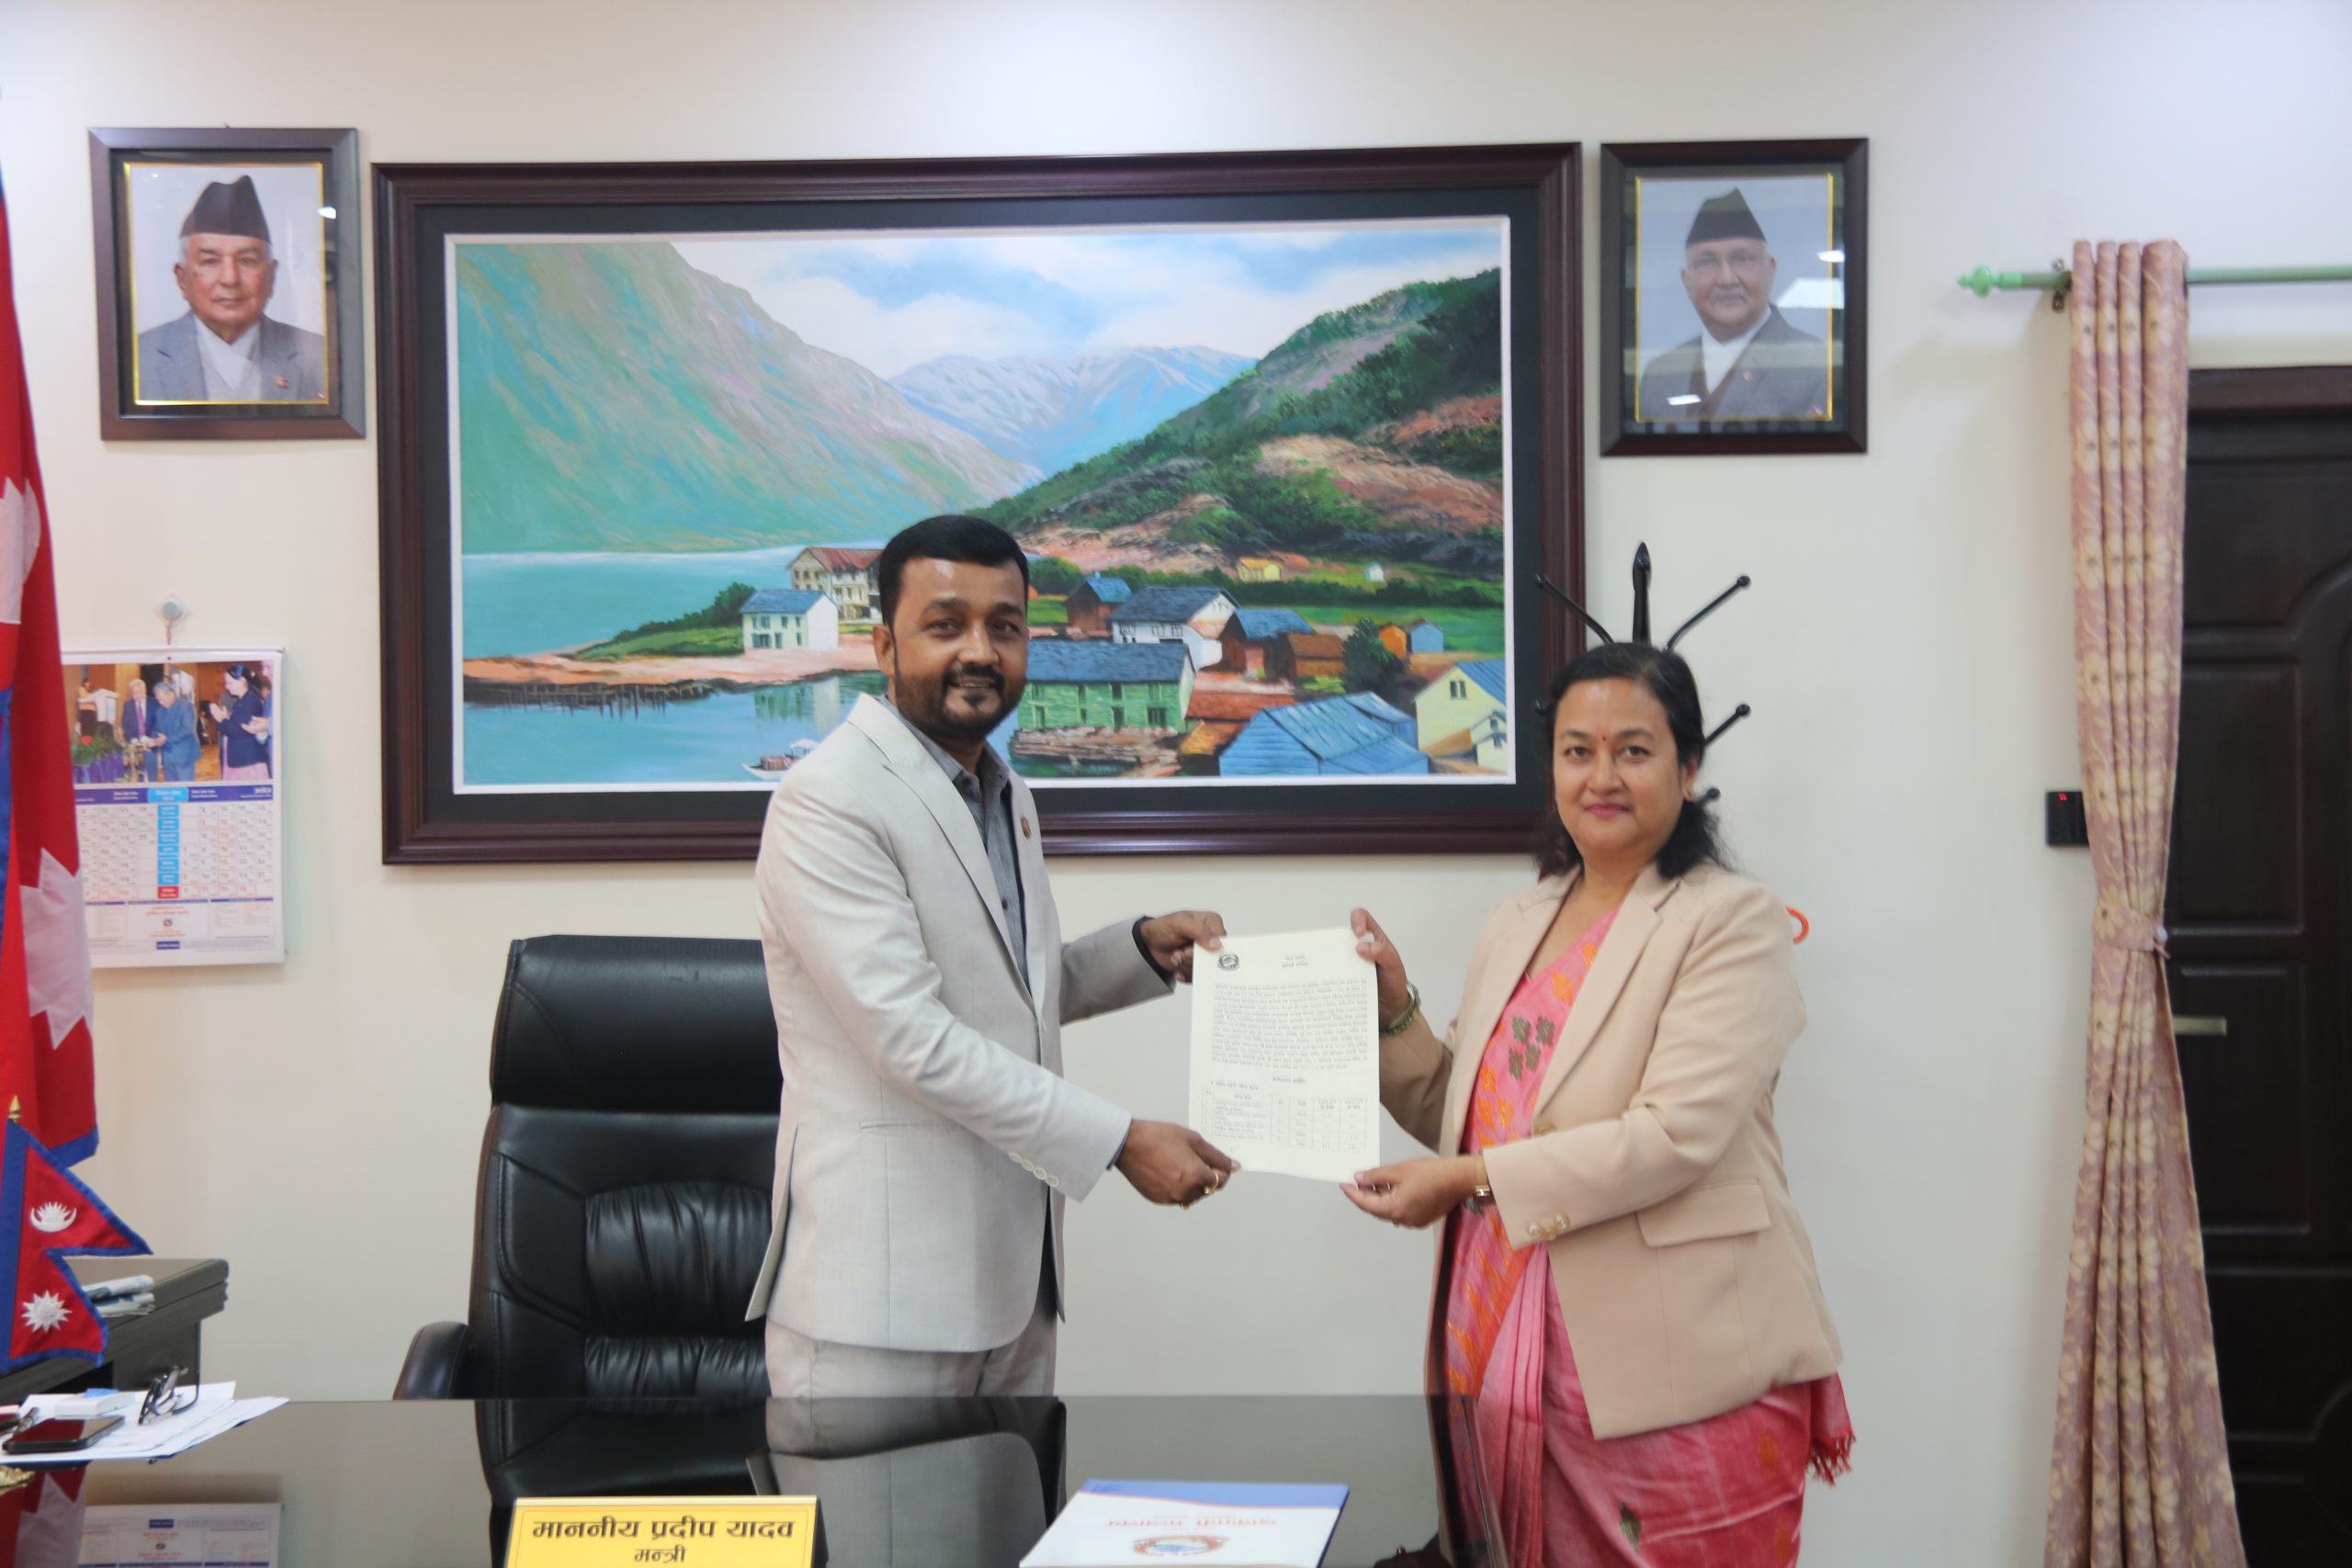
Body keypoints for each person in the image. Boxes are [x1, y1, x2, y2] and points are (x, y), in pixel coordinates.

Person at [1345, 639, 1850, 1564]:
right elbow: (1472, 1115)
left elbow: (1673, 1137)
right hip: (1500, 1336)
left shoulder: (1731, 920)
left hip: (1674, 1373)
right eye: (1577, 750)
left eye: (1634, 750)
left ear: (1688, 768)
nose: (1601, 776)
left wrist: (1465, 1179)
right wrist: (1393, 1012)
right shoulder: (1520, 919)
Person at [744, 513, 1238, 1398]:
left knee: (1019, 1495)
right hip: (881, 1316)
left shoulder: (1002, 791)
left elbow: (1004, 990)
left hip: (1015, 1289)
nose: (980, 650)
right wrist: (1119, 1139)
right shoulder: (829, 800)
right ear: (884, 645)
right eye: (945, 624)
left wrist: (1140, 951)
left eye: (1004, 626)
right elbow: (912, 1038)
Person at [1637, 187, 1829, 423]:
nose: (1726, 279)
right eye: (1707, 262)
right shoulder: (1658, 376)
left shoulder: (1816, 365)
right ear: (1686, 280)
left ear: (1771, 270)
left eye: (1742, 259)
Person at [134, 175, 327, 404]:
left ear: (272, 276)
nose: (230, 279)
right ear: (182, 278)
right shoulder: (139, 357)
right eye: (210, 261)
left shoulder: (319, 355)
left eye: (247, 261)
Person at [208, 665, 271, 781]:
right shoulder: (242, 700)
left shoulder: (252, 700)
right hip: (241, 761)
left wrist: (221, 719)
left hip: (247, 763)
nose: (227, 686)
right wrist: (225, 719)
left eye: (230, 683)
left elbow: (240, 730)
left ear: (242, 681)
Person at [152, 680, 198, 783]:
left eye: (162, 699)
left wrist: (167, 738)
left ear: (171, 694)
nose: (161, 703)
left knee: (185, 788)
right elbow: (156, 729)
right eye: (158, 700)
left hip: (183, 756)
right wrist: (154, 740)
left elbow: (187, 729)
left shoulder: (185, 706)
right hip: (167, 757)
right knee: (171, 788)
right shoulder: (159, 711)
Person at [119, 678, 156, 782]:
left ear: (145, 690)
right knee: (137, 776)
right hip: (135, 747)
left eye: (139, 691)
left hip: (150, 746)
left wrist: (150, 739)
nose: (137, 695)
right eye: (134, 692)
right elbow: (125, 724)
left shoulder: (154, 703)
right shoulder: (128, 704)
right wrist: (132, 739)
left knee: (152, 775)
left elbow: (158, 723)